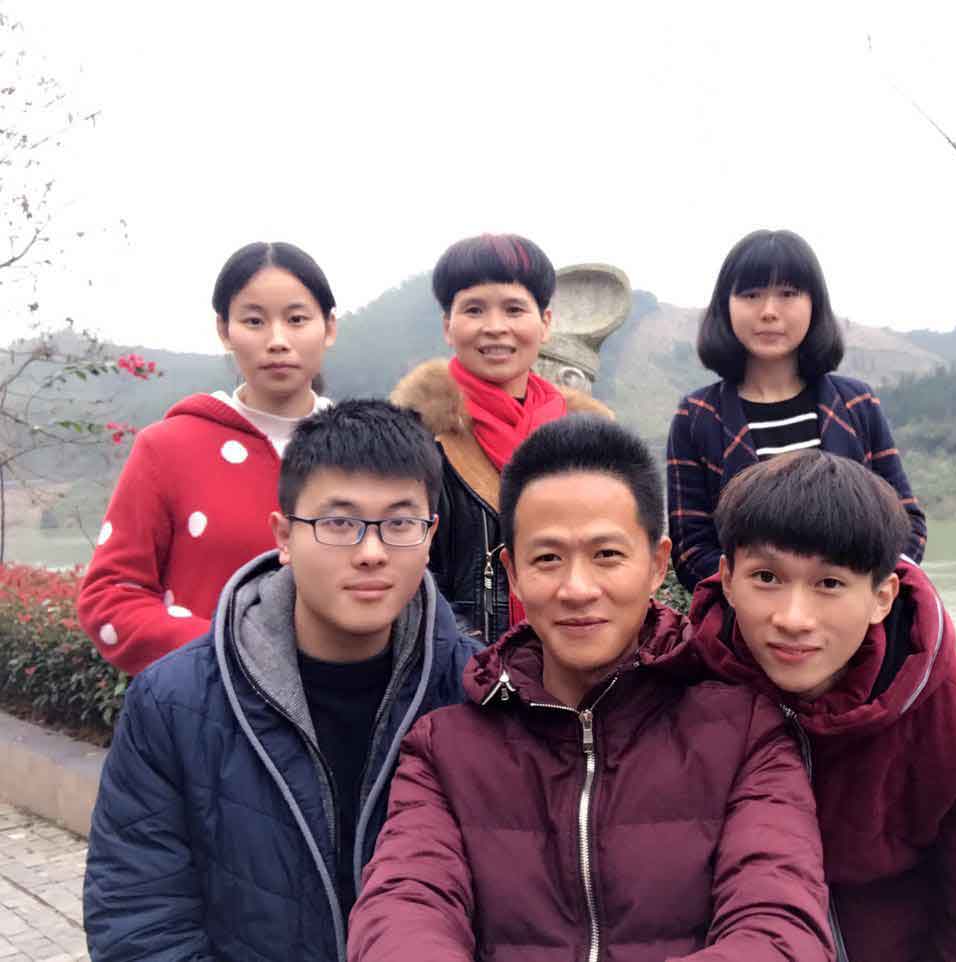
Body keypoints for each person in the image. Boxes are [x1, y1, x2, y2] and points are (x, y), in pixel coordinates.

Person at [348, 416, 834, 962]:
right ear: (512, 572)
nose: (577, 589)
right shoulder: (444, 750)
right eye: (547, 558)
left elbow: (778, 927)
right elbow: (403, 908)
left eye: (607, 555)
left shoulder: (745, 733)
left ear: (657, 564)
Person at [83, 399, 481, 962]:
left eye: (399, 523)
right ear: (284, 536)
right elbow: (139, 920)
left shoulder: (476, 693)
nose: (371, 552)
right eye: (339, 523)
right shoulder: (175, 703)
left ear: (431, 533)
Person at [686, 451, 956, 961]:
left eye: (829, 583)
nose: (794, 619)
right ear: (727, 579)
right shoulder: (681, 686)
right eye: (767, 578)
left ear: (882, 597)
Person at [78, 240, 339, 675]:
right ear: (224, 329)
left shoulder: (367, 447)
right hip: (205, 703)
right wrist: (228, 652)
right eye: (254, 321)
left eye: (296, 319)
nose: (277, 341)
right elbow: (111, 596)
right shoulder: (169, 447)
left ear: (329, 327)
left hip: (351, 707)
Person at [666, 228, 926, 591]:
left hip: (854, 617)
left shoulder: (856, 404)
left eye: (788, 294)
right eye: (751, 294)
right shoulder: (697, 416)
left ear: (814, 304)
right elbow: (691, 549)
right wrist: (764, 597)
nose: (769, 312)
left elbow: (907, 524)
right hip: (745, 620)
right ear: (726, 305)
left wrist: (846, 593)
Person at [390, 233, 611, 645]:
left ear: (545, 323)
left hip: (578, 654)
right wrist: (472, 658)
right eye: (474, 309)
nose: (495, 327)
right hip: (462, 664)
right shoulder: (415, 437)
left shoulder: (590, 438)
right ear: (448, 326)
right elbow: (402, 575)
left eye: (514, 309)